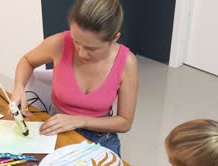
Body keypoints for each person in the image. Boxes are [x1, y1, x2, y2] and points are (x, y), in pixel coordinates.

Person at [11, 0, 138, 156]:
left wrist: (79, 120)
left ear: (114, 38)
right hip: (56, 128)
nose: (81, 53)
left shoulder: (127, 62)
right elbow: (27, 61)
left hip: (101, 135)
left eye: (92, 48)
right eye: (76, 42)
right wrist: (18, 87)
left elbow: (125, 122)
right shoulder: (58, 43)